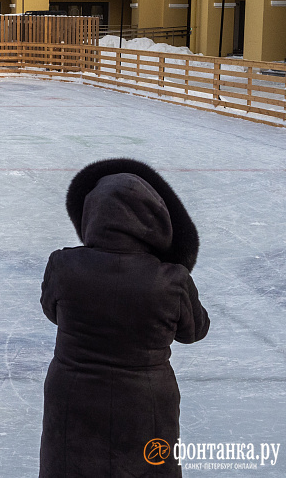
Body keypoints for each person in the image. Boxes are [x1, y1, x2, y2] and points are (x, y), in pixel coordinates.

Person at [39, 158, 209, 477]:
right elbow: (194, 331)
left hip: (73, 392)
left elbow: (53, 312)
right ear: (155, 220)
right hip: (146, 400)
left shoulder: (63, 265)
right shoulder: (170, 279)